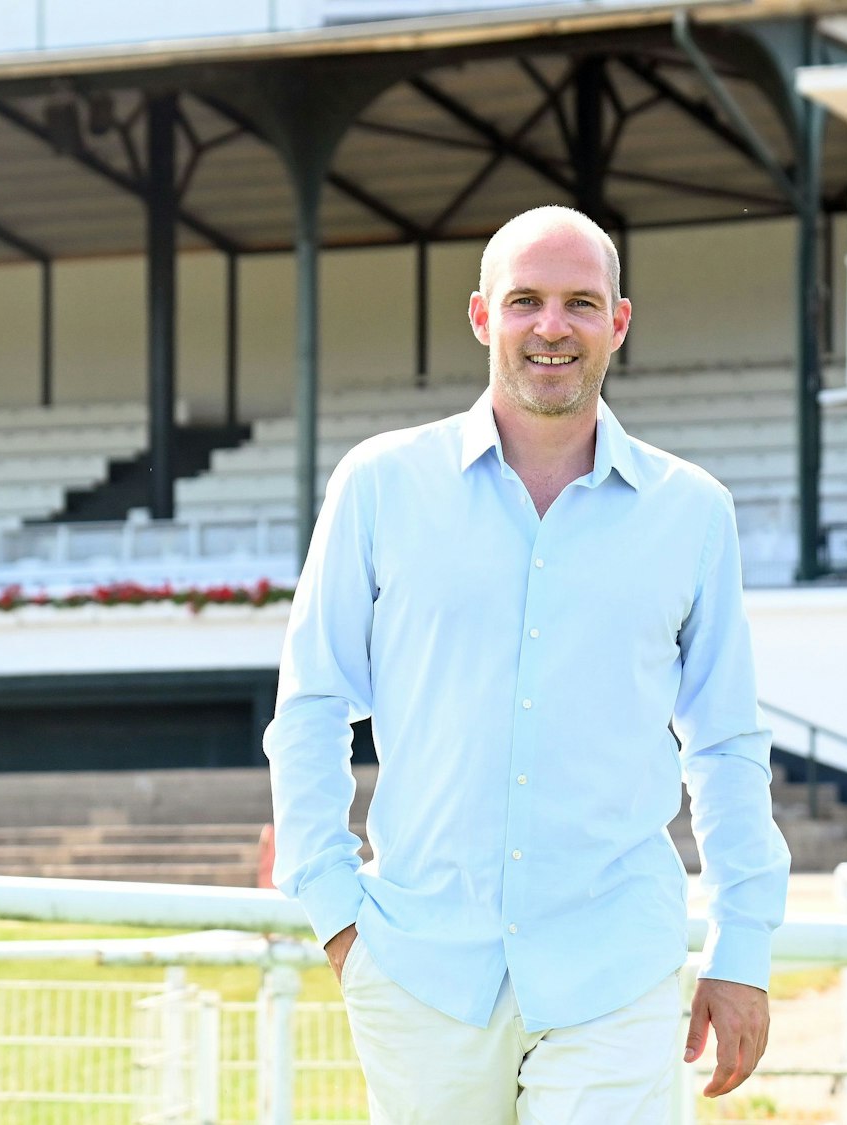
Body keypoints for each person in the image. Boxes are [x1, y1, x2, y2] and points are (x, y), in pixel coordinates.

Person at [265, 205, 791, 1124]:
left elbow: (727, 742)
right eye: (527, 301)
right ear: (482, 316)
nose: (553, 326)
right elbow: (310, 706)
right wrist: (336, 915)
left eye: (581, 302)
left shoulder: (693, 512)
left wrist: (741, 946)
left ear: (618, 322)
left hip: (615, 970)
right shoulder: (379, 485)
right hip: (420, 970)